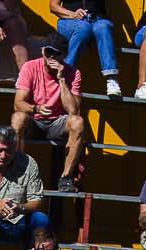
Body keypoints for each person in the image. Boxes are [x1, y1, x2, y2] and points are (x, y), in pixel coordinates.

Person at [12, 43, 90, 194]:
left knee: (77, 122)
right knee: (17, 118)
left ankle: (66, 177)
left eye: (56, 54)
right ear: (42, 51)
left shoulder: (73, 72)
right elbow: (18, 103)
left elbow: (73, 110)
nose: (52, 57)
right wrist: (35, 108)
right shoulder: (30, 67)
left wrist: (61, 79)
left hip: (57, 123)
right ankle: (17, 173)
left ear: (64, 55)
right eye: (48, 53)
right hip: (34, 120)